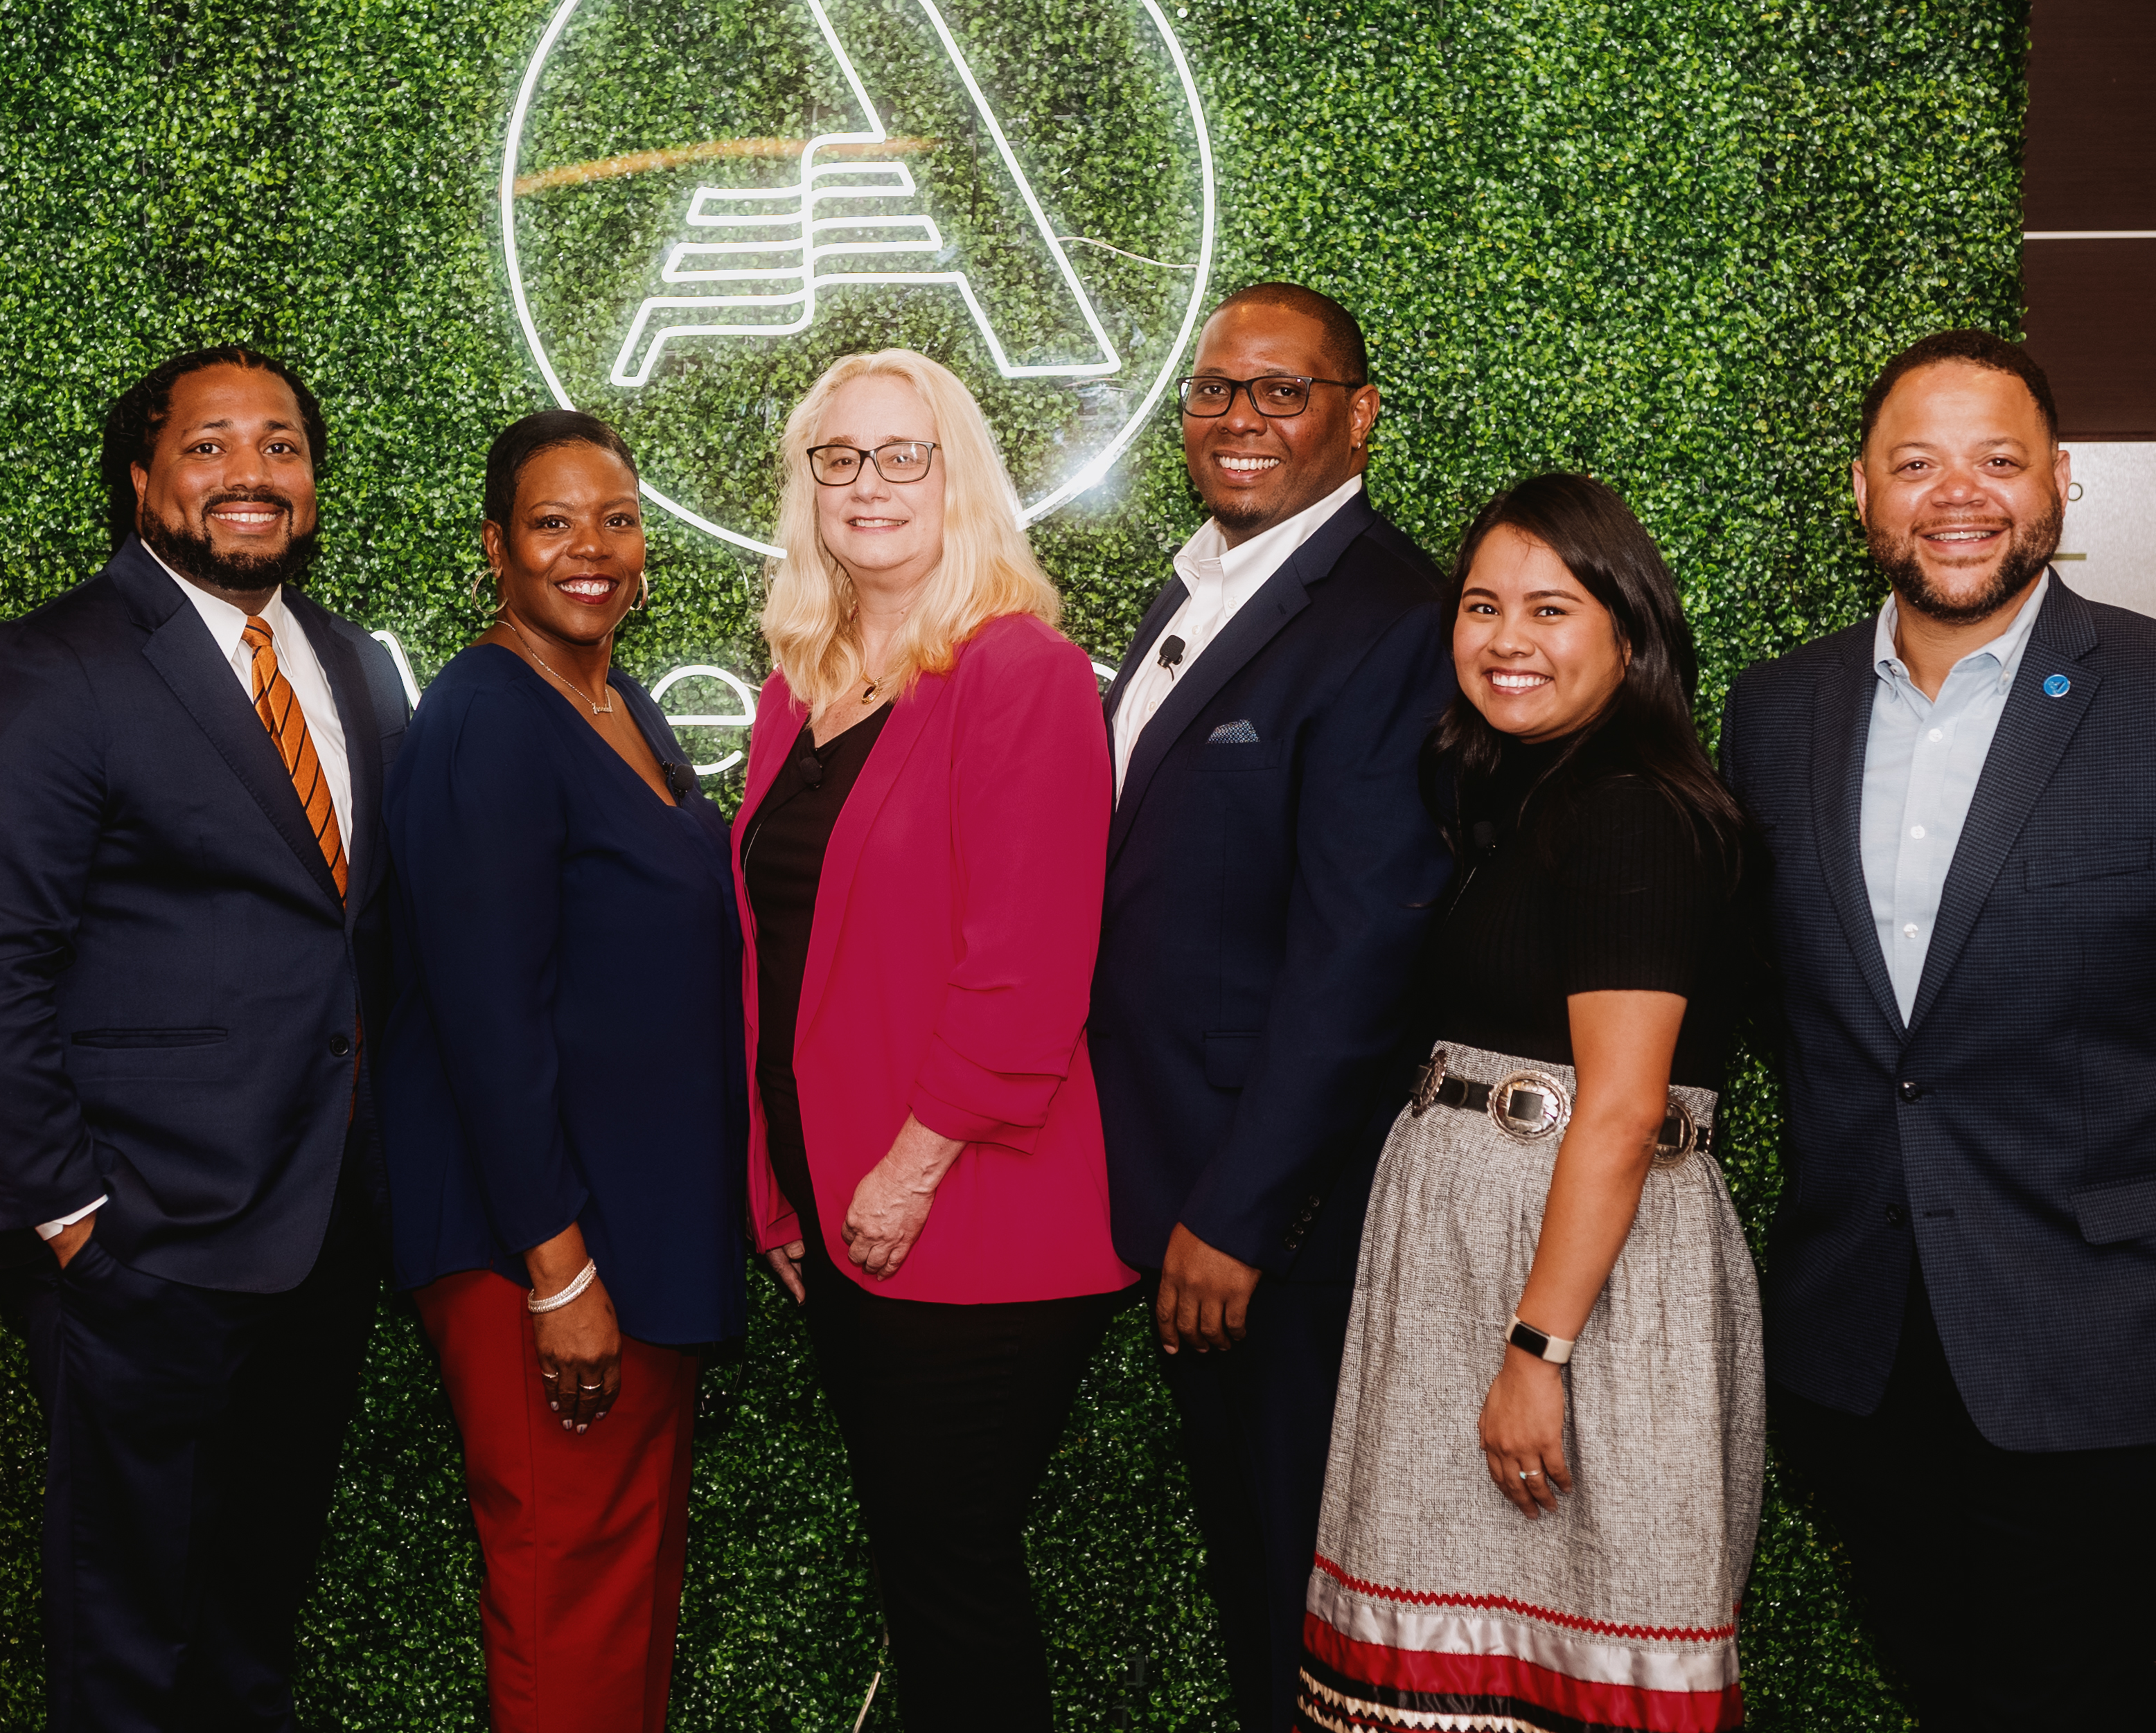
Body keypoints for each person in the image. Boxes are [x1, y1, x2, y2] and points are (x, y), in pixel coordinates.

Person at [1718, 329, 2156, 1730]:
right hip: (1862, 1355)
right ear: (1860, 492)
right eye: (1914, 461)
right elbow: (1795, 1009)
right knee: (1940, 1685)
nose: (1957, 493)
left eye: (1996, 459)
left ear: (2059, 483)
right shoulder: (1775, 711)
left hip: (2121, 1352)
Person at [0, 344, 408, 1732]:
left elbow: (350, 938)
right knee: (127, 1638)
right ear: (140, 479)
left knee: (253, 1618)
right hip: (143, 1245)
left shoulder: (355, 664)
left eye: (279, 443)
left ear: (311, 483)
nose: (248, 470)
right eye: (207, 445)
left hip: (318, 1236)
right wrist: (77, 1216)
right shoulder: (55, 661)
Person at [1304, 472, 1765, 1733]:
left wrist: (1536, 1354)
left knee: (1582, 1654)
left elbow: (1620, 1109)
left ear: (1634, 633)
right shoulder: (1526, 796)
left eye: (1553, 610)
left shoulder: (1630, 815)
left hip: (1573, 1291)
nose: (1508, 641)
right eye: (1482, 606)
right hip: (1480, 1262)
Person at [736, 347, 1134, 1733]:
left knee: (949, 1573)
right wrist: (778, 1184)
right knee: (925, 1567)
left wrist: (902, 1172)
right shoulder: (800, 681)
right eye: (836, 456)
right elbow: (774, 954)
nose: (867, 483)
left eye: (901, 452)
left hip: (970, 1209)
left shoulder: (1016, 670)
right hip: (836, 1203)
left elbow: (1024, 971)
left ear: (957, 475)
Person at [1090, 281, 1456, 1731]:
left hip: (1277, 1221)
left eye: (1280, 390)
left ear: (1356, 416)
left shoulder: (1387, 614)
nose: (1239, 418)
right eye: (1214, 389)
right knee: (1254, 1575)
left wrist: (1239, 1213)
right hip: (1169, 1176)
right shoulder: (1188, 587)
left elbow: (1361, 946)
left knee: (1307, 1599)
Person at [378, 410, 745, 1732]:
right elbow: (484, 1017)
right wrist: (561, 1269)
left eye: (618, 519)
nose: (592, 550)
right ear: (494, 548)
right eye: (553, 522)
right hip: (540, 1241)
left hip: (638, 1229)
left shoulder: (613, 697)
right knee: (565, 1589)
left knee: (625, 1589)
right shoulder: (485, 716)